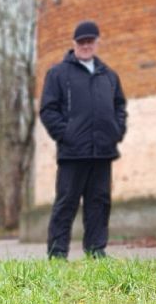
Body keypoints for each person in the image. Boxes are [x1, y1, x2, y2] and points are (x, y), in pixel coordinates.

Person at [38, 20, 128, 259]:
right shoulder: (58, 73)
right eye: (81, 42)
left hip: (103, 151)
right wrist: (65, 135)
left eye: (90, 41)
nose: (86, 45)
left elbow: (120, 106)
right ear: (74, 44)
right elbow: (48, 110)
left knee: (99, 202)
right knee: (66, 202)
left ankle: (96, 250)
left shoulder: (108, 75)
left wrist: (115, 131)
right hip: (72, 153)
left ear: (97, 42)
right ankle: (57, 253)